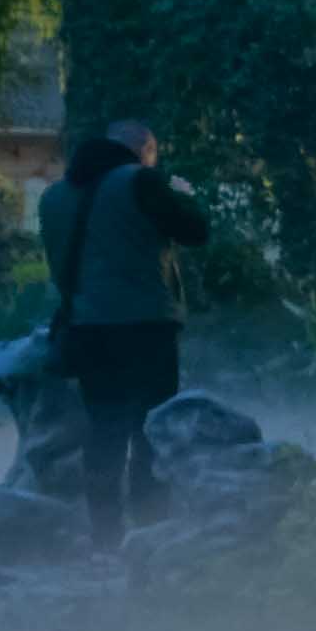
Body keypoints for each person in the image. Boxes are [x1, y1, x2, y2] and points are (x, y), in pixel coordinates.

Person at [37, 117, 208, 546]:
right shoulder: (142, 181)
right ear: (144, 150)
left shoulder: (54, 195)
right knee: (150, 429)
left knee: (104, 430)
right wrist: (183, 191)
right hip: (146, 325)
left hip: (87, 329)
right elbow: (196, 231)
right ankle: (151, 528)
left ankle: (105, 537)